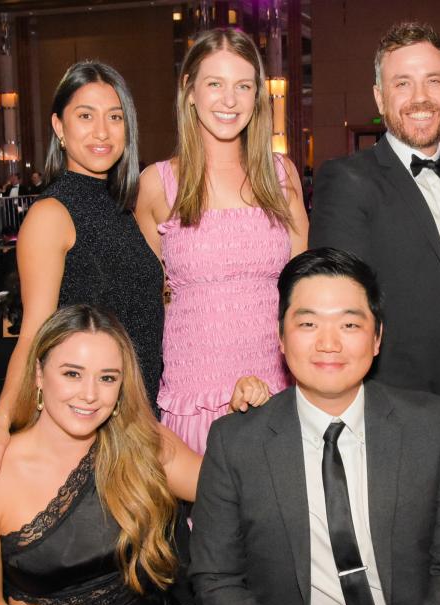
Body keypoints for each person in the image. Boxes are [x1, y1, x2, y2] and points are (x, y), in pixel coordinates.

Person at [190, 248, 440, 605]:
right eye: (308, 324)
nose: (329, 344)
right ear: (280, 337)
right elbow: (216, 578)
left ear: (377, 338)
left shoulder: (430, 427)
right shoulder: (235, 443)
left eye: (350, 325)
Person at [0, 61, 166, 506]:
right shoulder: (51, 214)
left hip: (142, 416)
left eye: (115, 116)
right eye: (85, 115)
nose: (102, 131)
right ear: (59, 127)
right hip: (94, 423)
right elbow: (34, 332)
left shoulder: (123, 210)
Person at [311, 22, 440, 460]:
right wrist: (427, 418)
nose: (420, 97)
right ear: (379, 97)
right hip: (388, 430)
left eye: (433, 81)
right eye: (402, 83)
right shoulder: (349, 180)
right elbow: (343, 316)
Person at [0, 304, 201, 605]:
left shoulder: (145, 446)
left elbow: (231, 486)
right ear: (39, 374)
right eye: (72, 373)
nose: (90, 395)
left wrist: (247, 417)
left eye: (107, 378)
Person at [134, 27, 309, 454]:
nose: (229, 100)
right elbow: (147, 301)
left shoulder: (282, 175)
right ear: (189, 91)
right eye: (215, 84)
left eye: (243, 86)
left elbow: (304, 295)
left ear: (257, 97)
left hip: (277, 394)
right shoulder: (157, 184)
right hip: (194, 401)